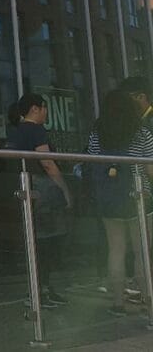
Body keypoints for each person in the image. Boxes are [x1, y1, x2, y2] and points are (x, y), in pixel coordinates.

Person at [86, 89, 153, 316]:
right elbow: (150, 169)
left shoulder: (98, 133)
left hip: (109, 197)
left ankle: (117, 303)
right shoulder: (141, 132)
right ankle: (149, 302)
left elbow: (93, 162)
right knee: (141, 251)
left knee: (116, 249)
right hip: (139, 195)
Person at [7, 92, 72, 309]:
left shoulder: (15, 132)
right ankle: (41, 291)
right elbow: (47, 162)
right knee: (47, 242)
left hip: (24, 190)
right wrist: (64, 188)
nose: (46, 112)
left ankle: (39, 289)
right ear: (35, 108)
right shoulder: (36, 130)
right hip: (42, 191)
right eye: (44, 108)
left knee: (35, 241)